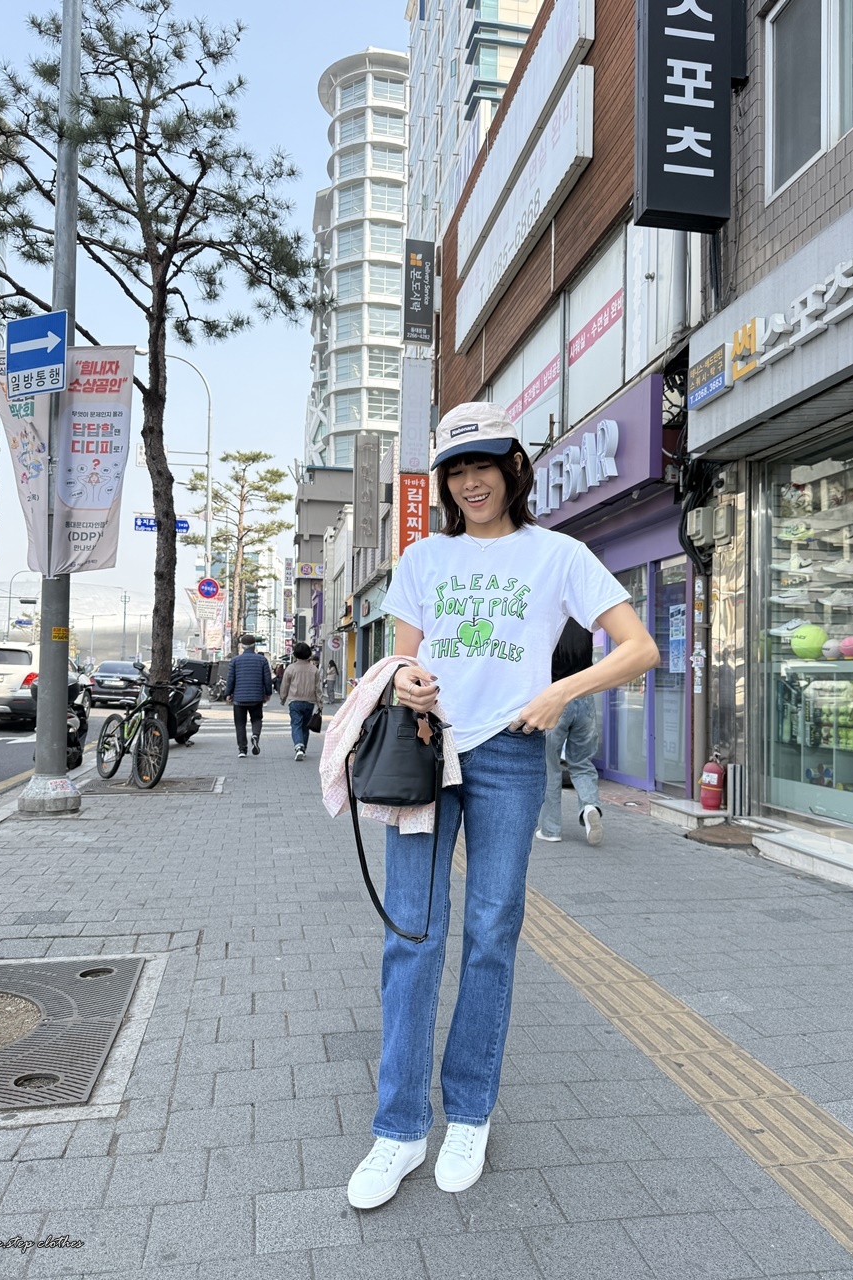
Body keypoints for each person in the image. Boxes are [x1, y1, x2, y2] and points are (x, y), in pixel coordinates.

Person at [344, 401, 659, 1210]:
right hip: (426, 749)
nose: (469, 482)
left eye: (482, 464)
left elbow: (639, 647)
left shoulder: (560, 555)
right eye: (455, 469)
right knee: (411, 933)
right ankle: (399, 1128)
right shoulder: (423, 557)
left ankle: (470, 1115)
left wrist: (562, 691)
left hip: (513, 753)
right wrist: (408, 679)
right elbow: (403, 660)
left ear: (514, 467)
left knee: (491, 934)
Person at [535, 616, 604, 846]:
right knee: (582, 762)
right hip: (585, 699)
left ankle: (550, 829)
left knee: (550, 766)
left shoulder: (549, 622)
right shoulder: (584, 623)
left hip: (555, 697)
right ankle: (590, 806)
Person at [224, 633, 272, 759]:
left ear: (242, 646)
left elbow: (231, 679)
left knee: (240, 723)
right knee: (257, 719)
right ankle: (255, 735)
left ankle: (242, 749)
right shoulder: (262, 660)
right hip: (256, 697)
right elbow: (267, 679)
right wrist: (268, 693)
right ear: (254, 646)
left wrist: (228, 693)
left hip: (239, 698)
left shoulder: (235, 660)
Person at [280, 641, 323, 762]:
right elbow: (318, 688)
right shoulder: (314, 669)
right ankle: (303, 748)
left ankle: (299, 746)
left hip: (294, 700)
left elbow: (285, 685)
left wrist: (283, 698)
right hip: (309, 702)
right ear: (309, 654)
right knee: (305, 726)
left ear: (295, 654)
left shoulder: (291, 668)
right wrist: (320, 703)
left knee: (296, 724)